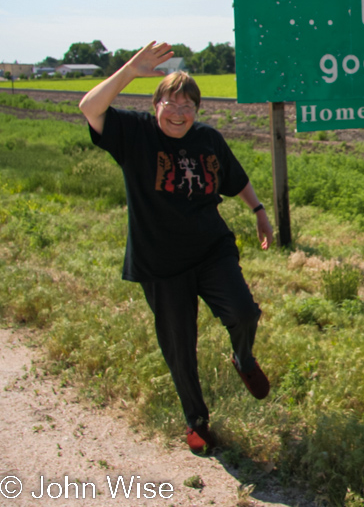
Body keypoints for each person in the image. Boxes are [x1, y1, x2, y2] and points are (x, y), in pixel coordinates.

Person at [79, 41, 274, 455]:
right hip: (160, 263)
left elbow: (234, 177)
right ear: (156, 105)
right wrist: (130, 68)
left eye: (189, 105)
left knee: (243, 313)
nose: (180, 112)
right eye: (171, 102)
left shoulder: (208, 139)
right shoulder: (133, 134)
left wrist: (258, 209)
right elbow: (90, 108)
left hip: (211, 250)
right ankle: (197, 421)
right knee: (180, 347)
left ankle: (243, 358)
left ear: (198, 111)